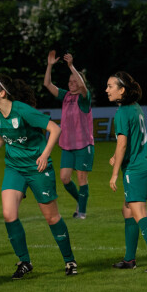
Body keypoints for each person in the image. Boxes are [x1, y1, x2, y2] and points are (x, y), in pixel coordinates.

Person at [0, 73, 78, 279]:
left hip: (37, 167)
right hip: (14, 168)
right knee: (9, 214)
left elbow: (55, 129)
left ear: (2, 93)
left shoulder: (23, 110)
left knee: (51, 217)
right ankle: (24, 261)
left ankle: (69, 260)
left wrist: (45, 154)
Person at [106, 71, 147, 272]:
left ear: (122, 90)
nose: (106, 90)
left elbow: (122, 144)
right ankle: (129, 259)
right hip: (144, 165)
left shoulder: (123, 112)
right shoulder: (135, 109)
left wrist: (115, 172)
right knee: (127, 211)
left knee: (139, 213)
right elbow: (129, 143)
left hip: (135, 170)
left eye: (110, 86)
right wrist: (117, 158)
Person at [43, 50, 94, 219]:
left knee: (81, 179)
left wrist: (71, 66)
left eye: (74, 81)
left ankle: (82, 213)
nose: (71, 83)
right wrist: (50, 66)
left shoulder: (84, 98)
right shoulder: (65, 96)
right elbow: (47, 85)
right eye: (70, 81)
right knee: (64, 178)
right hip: (67, 145)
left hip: (83, 144)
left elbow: (83, 87)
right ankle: (81, 202)